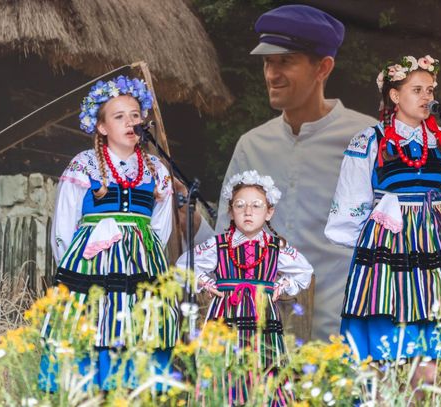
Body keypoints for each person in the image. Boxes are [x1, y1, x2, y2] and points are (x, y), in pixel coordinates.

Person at [192, 4, 377, 341]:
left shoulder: (368, 140)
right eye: (268, 62)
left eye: (285, 61)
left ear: (323, 67)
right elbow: (225, 244)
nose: (271, 74)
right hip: (261, 342)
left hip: (343, 341)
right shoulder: (251, 146)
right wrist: (188, 217)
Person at [324, 55, 441, 383]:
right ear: (394, 95)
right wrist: (374, 246)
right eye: (417, 90)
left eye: (430, 90)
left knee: (431, 354)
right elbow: (350, 204)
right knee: (385, 350)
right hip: (388, 252)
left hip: (432, 252)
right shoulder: (369, 141)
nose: (426, 97)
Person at [39, 75, 179, 391]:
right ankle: (87, 389)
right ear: (101, 127)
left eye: (135, 115)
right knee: (93, 319)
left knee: (141, 322)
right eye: (119, 116)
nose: (130, 122)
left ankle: (135, 388)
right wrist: (74, 267)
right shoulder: (84, 165)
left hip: (141, 261)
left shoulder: (156, 168)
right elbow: (64, 223)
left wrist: (144, 252)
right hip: (91, 263)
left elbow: (160, 224)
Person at [177, 170, 313, 404]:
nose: (248, 211)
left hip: (263, 316)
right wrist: (206, 283)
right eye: (240, 205)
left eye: (256, 206)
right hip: (225, 315)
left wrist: (282, 285)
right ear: (231, 211)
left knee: (265, 362)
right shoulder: (218, 245)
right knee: (224, 364)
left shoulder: (275, 247)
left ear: (269, 212)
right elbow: (183, 266)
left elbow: (304, 271)